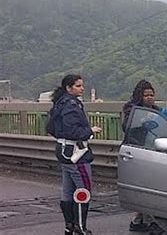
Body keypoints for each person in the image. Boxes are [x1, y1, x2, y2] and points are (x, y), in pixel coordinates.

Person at [121, 79, 167, 233]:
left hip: (154, 153)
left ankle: (139, 220)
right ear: (139, 96)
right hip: (137, 152)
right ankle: (150, 221)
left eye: (151, 95)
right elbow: (127, 127)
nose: (149, 98)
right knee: (144, 187)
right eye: (146, 95)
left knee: (150, 186)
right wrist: (142, 121)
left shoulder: (156, 110)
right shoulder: (131, 110)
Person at [47, 74, 102, 235]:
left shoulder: (59, 102)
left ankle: (69, 227)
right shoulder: (71, 105)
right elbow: (73, 130)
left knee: (68, 190)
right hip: (76, 153)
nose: (82, 88)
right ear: (69, 88)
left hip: (64, 151)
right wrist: (90, 131)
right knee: (83, 189)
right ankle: (80, 227)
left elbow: (51, 127)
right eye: (78, 86)